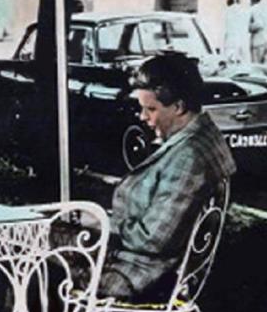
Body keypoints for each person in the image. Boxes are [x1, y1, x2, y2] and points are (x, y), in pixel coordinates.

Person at [100, 53, 236, 299]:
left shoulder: (188, 157)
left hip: (139, 273)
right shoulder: (202, 136)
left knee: (37, 255)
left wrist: (102, 223)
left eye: (150, 109)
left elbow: (154, 239)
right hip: (142, 262)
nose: (143, 117)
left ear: (179, 107)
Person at [222, 0, 250, 64]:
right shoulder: (244, 11)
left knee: (230, 62)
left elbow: (223, 30)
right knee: (242, 62)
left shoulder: (227, 12)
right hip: (242, 41)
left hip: (230, 41)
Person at [249, 0, 267, 64]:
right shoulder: (266, 9)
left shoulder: (253, 9)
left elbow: (259, 24)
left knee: (257, 66)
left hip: (258, 42)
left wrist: (248, 27)